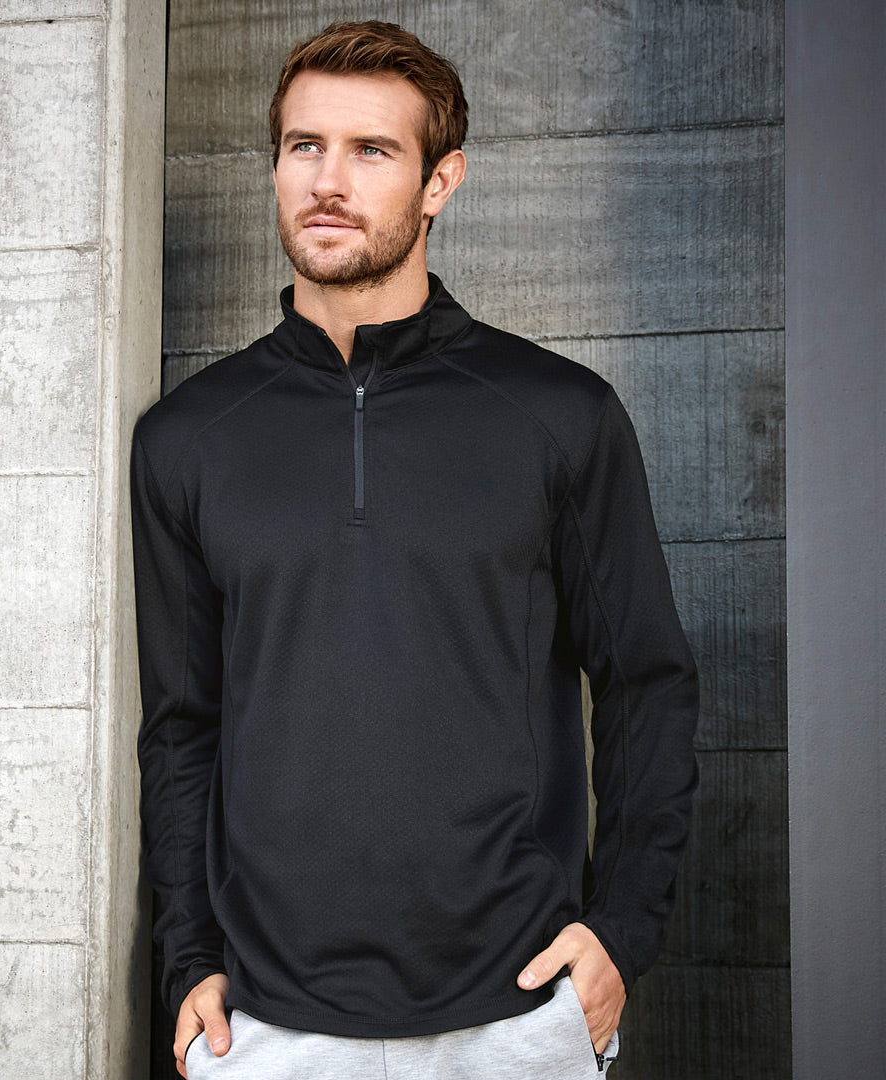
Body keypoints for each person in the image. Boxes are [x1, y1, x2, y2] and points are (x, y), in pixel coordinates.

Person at [132, 20, 698, 1080]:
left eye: (372, 150)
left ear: (442, 181)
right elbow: (181, 726)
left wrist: (621, 930)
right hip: (263, 1026)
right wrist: (188, 958)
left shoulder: (558, 416)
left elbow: (645, 683)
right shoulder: (187, 438)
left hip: (516, 1014)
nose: (328, 181)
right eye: (304, 146)